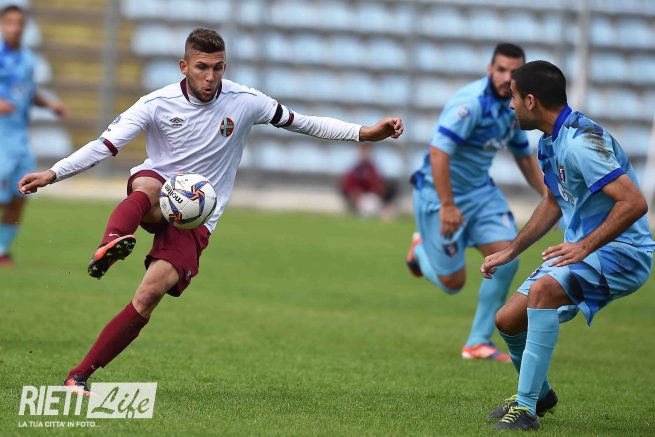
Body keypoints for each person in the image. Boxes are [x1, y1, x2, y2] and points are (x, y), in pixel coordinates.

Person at [18, 28, 404, 394]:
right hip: (160, 189)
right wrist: (53, 173)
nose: (210, 76)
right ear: (184, 66)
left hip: (199, 215)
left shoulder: (246, 101)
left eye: (218, 67)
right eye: (202, 67)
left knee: (149, 295)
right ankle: (112, 242)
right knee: (148, 186)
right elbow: (105, 145)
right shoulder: (155, 104)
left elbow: (304, 123)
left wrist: (365, 133)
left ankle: (78, 376)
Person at [481, 60, 654, 431]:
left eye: (514, 97)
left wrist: (585, 246)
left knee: (542, 291)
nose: (510, 105)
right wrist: (512, 250)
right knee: (507, 319)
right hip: (584, 249)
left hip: (624, 252)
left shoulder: (581, 144)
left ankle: (526, 409)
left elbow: (634, 203)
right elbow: (552, 202)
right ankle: (540, 394)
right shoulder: (550, 141)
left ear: (531, 101)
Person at [406, 43, 546, 361]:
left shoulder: (514, 106)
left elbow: (524, 155)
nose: (506, 77)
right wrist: (447, 205)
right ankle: (419, 252)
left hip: (481, 194)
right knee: (453, 283)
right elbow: (438, 153)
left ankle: (477, 343)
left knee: (506, 259)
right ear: (489, 70)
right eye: (501, 70)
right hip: (439, 195)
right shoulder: (469, 105)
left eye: (514, 72)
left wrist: (549, 195)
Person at [0, 4, 67, 266]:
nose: (15, 28)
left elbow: (27, 92)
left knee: (21, 194)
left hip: (20, 140)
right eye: (10, 22)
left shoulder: (28, 60)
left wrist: (49, 105)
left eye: (20, 23)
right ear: (2, 25)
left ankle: (2, 248)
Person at [340, 143, 397, 217]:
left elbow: (379, 186)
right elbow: (348, 187)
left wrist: (377, 192)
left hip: (372, 197)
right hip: (360, 199)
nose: (366, 154)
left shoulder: (373, 169)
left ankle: (384, 210)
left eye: (368, 151)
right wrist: (355, 195)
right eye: (364, 151)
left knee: (391, 190)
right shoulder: (354, 170)